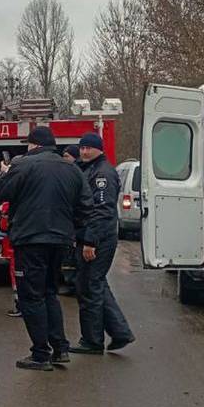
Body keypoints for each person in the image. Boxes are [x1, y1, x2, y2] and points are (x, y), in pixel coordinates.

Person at [0, 126, 93, 371]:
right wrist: (73, 230)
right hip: (60, 241)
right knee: (49, 292)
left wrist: (5, 173)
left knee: (31, 296)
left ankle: (40, 354)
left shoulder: (23, 165)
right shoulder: (72, 169)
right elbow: (86, 207)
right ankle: (60, 349)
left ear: (34, 144)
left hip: (31, 239)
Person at [70, 132, 135, 355]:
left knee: (89, 287)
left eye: (89, 148)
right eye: (82, 147)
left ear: (99, 149)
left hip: (98, 238)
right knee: (95, 284)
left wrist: (90, 241)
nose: (84, 151)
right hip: (93, 236)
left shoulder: (102, 174)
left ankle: (92, 341)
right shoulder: (89, 168)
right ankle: (120, 332)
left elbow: (101, 211)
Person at [58, 144, 81, 296]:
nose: (64, 159)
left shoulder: (77, 172)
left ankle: (75, 286)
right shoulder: (73, 171)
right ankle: (73, 285)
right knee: (70, 259)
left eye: (66, 156)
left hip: (75, 225)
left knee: (74, 260)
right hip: (70, 224)